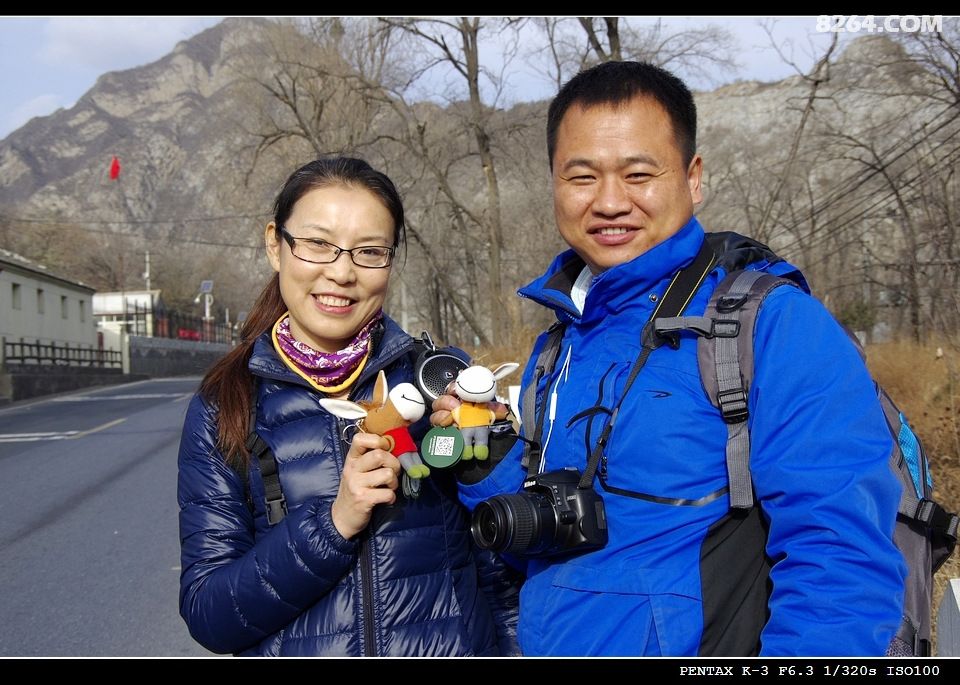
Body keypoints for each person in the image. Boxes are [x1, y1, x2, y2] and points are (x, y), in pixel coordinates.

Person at [431, 62, 907, 656]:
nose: (610, 202)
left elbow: (840, 562)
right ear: (554, 183)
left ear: (693, 177)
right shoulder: (557, 346)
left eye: (638, 174)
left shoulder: (769, 326)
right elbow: (560, 556)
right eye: (582, 176)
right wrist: (487, 462)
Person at [177, 157, 520, 656]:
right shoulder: (226, 404)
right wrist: (334, 523)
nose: (341, 273)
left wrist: (496, 460)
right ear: (275, 245)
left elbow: (503, 581)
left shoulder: (440, 380)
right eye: (318, 244)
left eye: (370, 251)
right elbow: (209, 614)